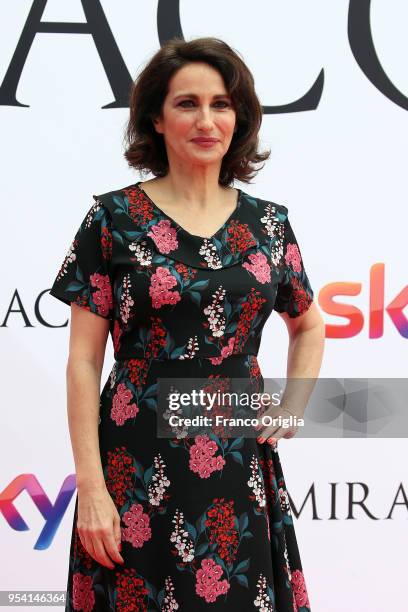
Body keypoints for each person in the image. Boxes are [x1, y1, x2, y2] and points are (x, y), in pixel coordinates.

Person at [49, 36, 325, 612]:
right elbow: (82, 361)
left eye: (221, 104)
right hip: (134, 460)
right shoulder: (113, 218)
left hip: (237, 465)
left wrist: (293, 402)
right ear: (156, 116)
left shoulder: (269, 226)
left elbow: (309, 324)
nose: (207, 120)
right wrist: (92, 490)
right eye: (187, 103)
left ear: (238, 118)